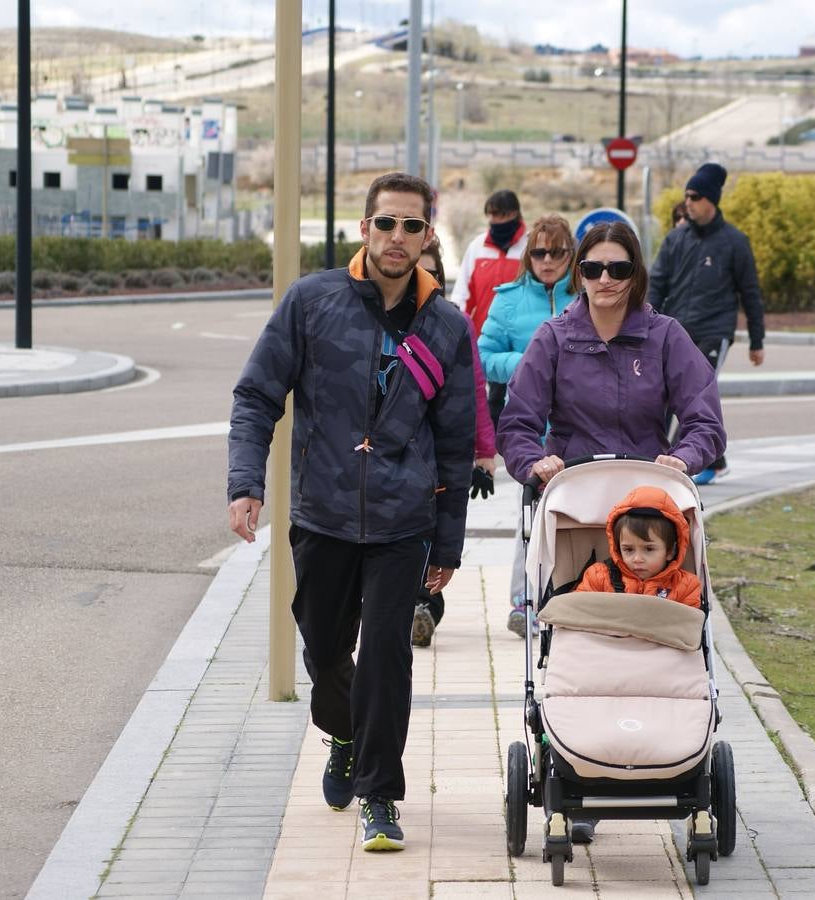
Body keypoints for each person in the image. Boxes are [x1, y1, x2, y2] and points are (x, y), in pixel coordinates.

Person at [227, 172, 476, 853]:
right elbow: (256, 397)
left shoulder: (446, 326)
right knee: (325, 650)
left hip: (403, 524)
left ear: (428, 238)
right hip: (323, 513)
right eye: (387, 224)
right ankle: (341, 729)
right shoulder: (312, 302)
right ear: (363, 229)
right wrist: (245, 482)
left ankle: (380, 797)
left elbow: (456, 446)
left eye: (413, 227)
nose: (399, 238)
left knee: (387, 658)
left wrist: (447, 545)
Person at [497, 220, 726, 550]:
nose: (604, 279)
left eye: (618, 269)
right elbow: (516, 422)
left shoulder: (665, 336)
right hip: (572, 507)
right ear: (579, 274)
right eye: (593, 269)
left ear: (635, 275)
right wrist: (534, 461)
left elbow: (706, 421)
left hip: (648, 510)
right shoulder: (553, 338)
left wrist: (683, 459)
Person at [477, 215, 578, 637]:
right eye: (539, 252)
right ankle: (523, 600)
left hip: (579, 426)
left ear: (571, 254)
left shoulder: (589, 296)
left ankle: (570, 598)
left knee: (574, 518)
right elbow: (482, 356)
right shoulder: (508, 300)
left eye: (557, 252)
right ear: (528, 256)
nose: (548, 260)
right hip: (530, 428)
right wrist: (527, 366)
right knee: (532, 513)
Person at [648, 162, 767, 485]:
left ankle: (685, 465)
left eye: (695, 195)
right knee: (660, 397)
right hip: (676, 333)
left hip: (714, 333)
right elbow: (656, 285)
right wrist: (642, 325)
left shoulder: (734, 242)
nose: (688, 201)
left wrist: (757, 341)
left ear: (711, 200)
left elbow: (751, 293)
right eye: (686, 195)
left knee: (695, 397)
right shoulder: (676, 240)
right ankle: (662, 461)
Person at [410, 235, 497, 648]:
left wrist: (484, 454)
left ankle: (424, 606)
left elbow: (474, 391)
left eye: (431, 272)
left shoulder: (454, 325)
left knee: (431, 534)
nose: (423, 278)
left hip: (439, 456)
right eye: (416, 270)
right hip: (392, 458)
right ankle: (409, 607)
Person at [575, 485, 703, 607]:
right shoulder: (598, 577)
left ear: (670, 551)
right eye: (628, 549)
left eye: (649, 549)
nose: (637, 559)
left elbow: (686, 627)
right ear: (618, 548)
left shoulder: (686, 586)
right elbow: (579, 612)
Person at [451, 189, 527, 340]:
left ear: (513, 214)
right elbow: (462, 294)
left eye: (498, 214)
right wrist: (456, 329)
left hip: (521, 339)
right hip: (481, 337)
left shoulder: (530, 248)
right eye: (490, 214)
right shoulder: (477, 246)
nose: (492, 220)